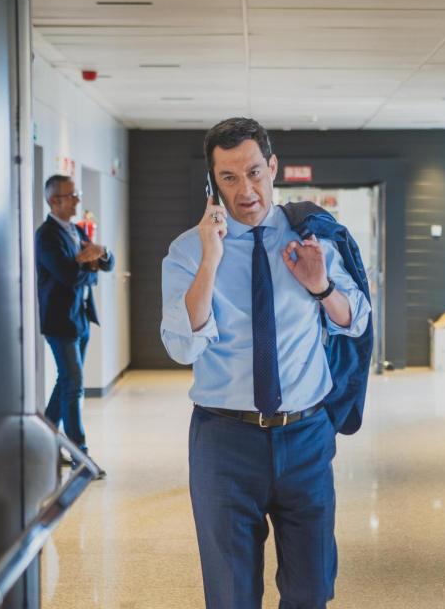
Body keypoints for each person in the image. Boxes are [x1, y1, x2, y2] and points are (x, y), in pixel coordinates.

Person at [160, 118, 371, 608]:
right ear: (213, 182)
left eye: (254, 172)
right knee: (231, 594)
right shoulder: (188, 252)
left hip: (305, 437)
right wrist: (211, 260)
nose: (246, 189)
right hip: (223, 441)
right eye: (229, 178)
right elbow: (182, 347)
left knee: (311, 590)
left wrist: (321, 285)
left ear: (273, 167)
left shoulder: (313, 240)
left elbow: (355, 319)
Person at [36, 174, 114, 476]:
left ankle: (44, 438)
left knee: (66, 382)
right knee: (74, 384)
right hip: (59, 322)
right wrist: (89, 266)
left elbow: (107, 262)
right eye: (72, 195)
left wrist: (100, 254)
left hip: (80, 318)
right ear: (54, 201)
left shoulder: (77, 229)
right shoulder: (46, 236)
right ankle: (80, 453)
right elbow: (68, 276)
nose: (78, 200)